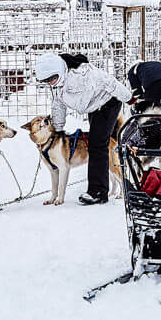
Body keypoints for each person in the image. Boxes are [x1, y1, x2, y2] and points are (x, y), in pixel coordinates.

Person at [35, 52, 131, 205]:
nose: (50, 83)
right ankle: (102, 187)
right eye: (46, 81)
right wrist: (57, 130)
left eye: (51, 78)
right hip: (93, 107)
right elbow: (58, 105)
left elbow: (110, 82)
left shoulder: (82, 74)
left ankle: (98, 192)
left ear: (59, 70)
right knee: (96, 142)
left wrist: (128, 97)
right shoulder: (57, 85)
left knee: (97, 145)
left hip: (108, 102)